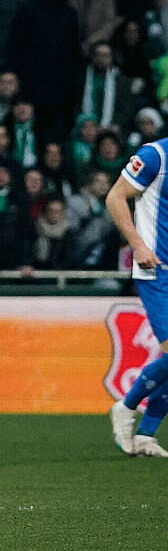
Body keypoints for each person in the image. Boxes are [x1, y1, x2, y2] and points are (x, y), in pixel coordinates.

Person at [108, 137, 168, 457]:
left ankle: (145, 435)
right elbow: (115, 196)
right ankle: (127, 406)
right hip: (159, 271)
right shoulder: (155, 155)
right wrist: (138, 244)